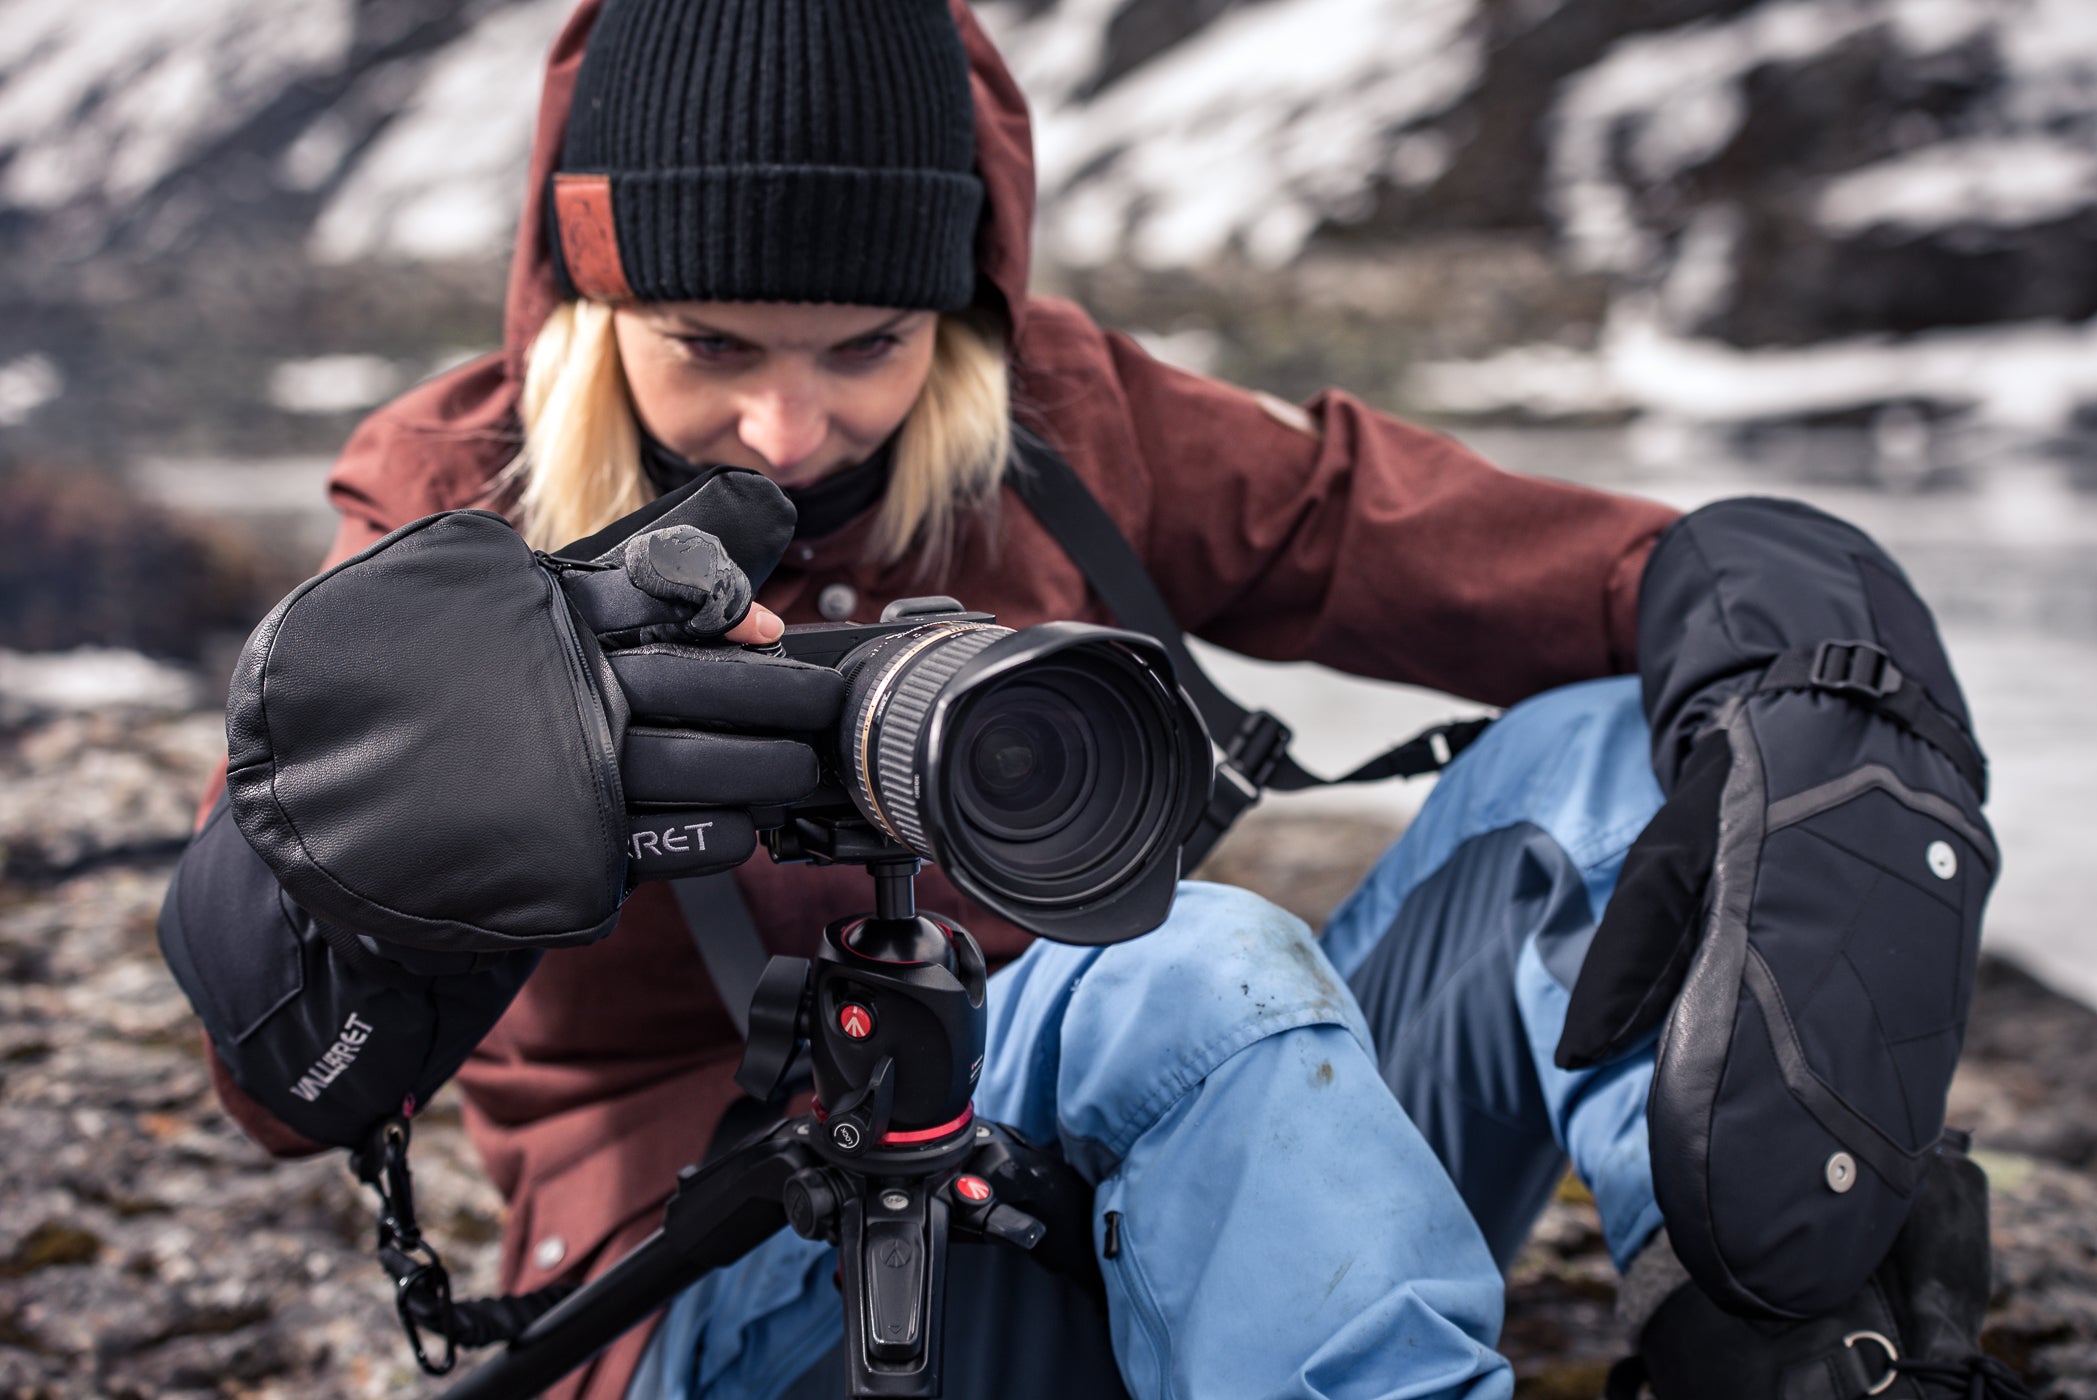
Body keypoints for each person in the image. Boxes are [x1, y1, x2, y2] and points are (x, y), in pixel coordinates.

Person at [157, 2, 2017, 1397]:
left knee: (1629, 747)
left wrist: (1798, 633)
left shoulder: (1061, 419)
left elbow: (1550, 566)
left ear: (958, 313)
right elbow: (273, 1079)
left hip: (1180, 1176)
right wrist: (481, 763)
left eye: (867, 351)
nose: (788, 430)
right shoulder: (444, 505)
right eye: (707, 347)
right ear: (586, 296)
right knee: (1186, 962)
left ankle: (1767, 1315)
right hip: (718, 1279)